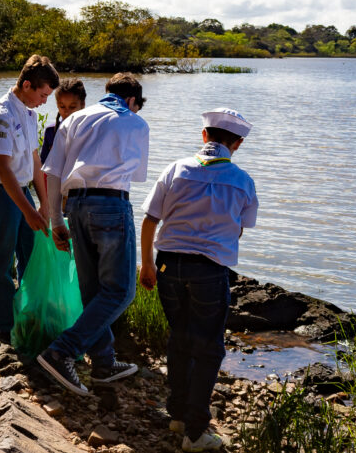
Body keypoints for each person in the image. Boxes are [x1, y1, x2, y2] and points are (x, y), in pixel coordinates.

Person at [139, 108, 258, 452]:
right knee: (208, 349)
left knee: (180, 338)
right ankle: (195, 432)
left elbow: (150, 220)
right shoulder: (243, 181)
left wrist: (146, 265)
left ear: (204, 136)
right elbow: (241, 228)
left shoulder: (175, 169)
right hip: (209, 270)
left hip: (168, 266)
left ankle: (177, 415)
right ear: (238, 144)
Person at [37, 73, 149, 396]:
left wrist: (57, 219)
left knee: (92, 289)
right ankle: (62, 351)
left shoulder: (73, 120)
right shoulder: (136, 124)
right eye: (137, 107)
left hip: (75, 207)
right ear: (132, 101)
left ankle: (103, 362)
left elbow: (53, 172)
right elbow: (135, 176)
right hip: (111, 205)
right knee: (121, 291)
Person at [0, 54, 60, 343]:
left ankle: (27, 313)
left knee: (29, 254)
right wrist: (28, 211)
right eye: (43, 94)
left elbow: (35, 162)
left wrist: (44, 204)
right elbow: (3, 168)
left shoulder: (29, 113)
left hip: (20, 191)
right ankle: (5, 326)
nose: (45, 101)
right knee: (3, 260)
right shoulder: (0, 115)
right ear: (26, 85)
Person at [40, 78, 87, 164]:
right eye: (62, 107)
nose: (67, 112)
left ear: (83, 105)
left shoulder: (90, 131)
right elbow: (43, 164)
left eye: (72, 107)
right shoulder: (50, 131)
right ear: (57, 105)